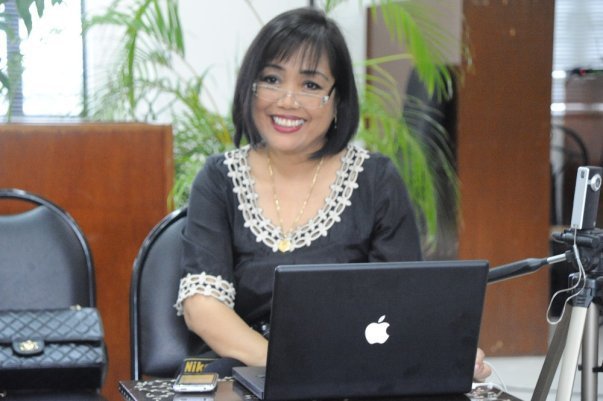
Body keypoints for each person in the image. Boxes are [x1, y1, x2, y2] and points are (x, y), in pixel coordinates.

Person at [175, 6, 491, 381]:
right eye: (272, 79)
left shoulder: (375, 181)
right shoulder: (219, 179)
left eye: (310, 85)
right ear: (250, 88)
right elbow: (202, 306)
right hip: (244, 368)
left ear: (338, 100)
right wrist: (288, 368)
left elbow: (402, 303)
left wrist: (445, 348)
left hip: (353, 370)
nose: (287, 101)